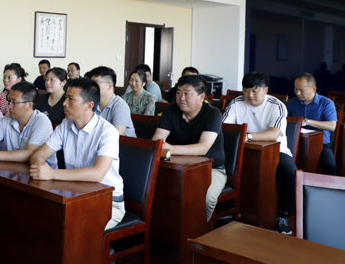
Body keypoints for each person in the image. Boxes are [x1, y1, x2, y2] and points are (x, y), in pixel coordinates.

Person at [29, 78, 125, 229]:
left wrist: (52, 173)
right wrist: (40, 168)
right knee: (39, 216)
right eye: (65, 97)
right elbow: (38, 155)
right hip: (74, 195)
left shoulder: (108, 132)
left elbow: (97, 174)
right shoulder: (65, 125)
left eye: (71, 99)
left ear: (89, 105)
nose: (64, 103)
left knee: (74, 227)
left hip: (108, 201)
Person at [223, 72, 295, 235]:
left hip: (276, 151)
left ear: (265, 90)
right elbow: (225, 128)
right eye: (246, 90)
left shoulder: (276, 105)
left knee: (290, 171)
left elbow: (274, 134)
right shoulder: (236, 102)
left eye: (255, 91)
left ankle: (282, 215)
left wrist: (246, 136)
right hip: (243, 149)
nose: (250, 95)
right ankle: (231, 208)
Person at [151, 75, 225, 222]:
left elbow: (203, 148)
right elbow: (157, 139)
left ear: (201, 96)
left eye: (187, 93)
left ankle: (200, 231)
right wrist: (162, 145)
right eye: (179, 93)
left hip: (211, 169)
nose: (181, 98)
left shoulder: (212, 114)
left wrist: (171, 149)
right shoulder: (171, 111)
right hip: (177, 167)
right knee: (158, 192)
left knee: (207, 198)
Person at [0, 82, 55, 167]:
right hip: (13, 169)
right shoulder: (7, 118)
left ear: (29, 105)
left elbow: (31, 153)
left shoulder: (42, 121)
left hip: (41, 173)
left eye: (14, 102)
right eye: (9, 101)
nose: (9, 106)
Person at [287, 73, 337, 176]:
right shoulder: (291, 103)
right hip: (296, 142)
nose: (298, 93)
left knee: (329, 165)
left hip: (322, 144)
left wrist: (308, 122)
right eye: (296, 89)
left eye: (302, 90)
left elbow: (332, 126)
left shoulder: (326, 103)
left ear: (314, 89)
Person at [88, 66, 136, 137]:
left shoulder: (120, 106)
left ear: (109, 85)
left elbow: (116, 136)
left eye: (96, 83)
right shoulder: (92, 103)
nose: (91, 87)